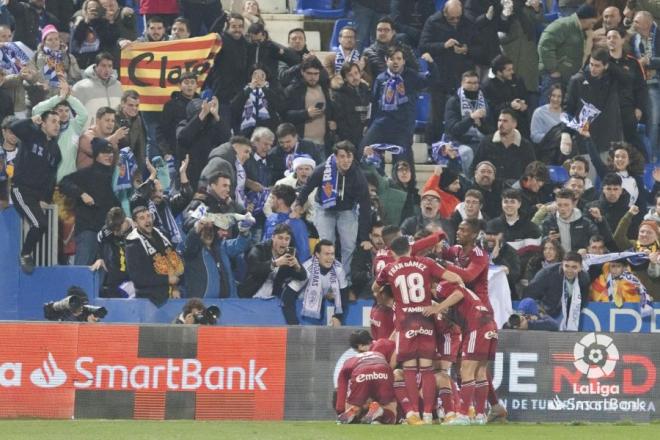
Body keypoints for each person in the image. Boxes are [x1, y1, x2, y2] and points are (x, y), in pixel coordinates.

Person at [374, 235, 464, 425]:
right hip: (425, 319)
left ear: (392, 252)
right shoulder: (426, 263)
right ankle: (429, 414)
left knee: (408, 369)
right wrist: (460, 286)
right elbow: (454, 277)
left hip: (405, 321)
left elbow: (376, 287)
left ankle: (413, 413)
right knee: (426, 369)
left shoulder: (390, 268)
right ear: (410, 248)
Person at [293, 141, 371, 282]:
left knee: (349, 245)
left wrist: (365, 237)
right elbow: (307, 188)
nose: (346, 160)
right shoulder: (323, 170)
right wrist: (299, 203)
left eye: (349, 156)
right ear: (335, 157)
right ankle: (324, 278)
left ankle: (344, 280)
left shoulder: (358, 176)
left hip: (346, 210)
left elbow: (365, 206)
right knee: (327, 244)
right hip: (324, 208)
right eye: (342, 156)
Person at [360, 49, 437, 172]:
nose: (395, 62)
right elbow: (374, 103)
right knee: (364, 150)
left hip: (403, 126)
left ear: (403, 61)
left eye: (398, 59)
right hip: (381, 123)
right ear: (386, 60)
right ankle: (377, 181)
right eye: (392, 59)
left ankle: (409, 189)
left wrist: (431, 64)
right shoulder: (380, 78)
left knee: (403, 161)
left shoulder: (411, 76)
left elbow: (431, 80)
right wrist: (369, 125)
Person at [9, 111, 61, 273]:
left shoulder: (55, 150)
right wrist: (31, 119)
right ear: (43, 124)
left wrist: (45, 198)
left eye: (59, 122)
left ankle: (26, 253)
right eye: (53, 121)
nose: (57, 125)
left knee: (42, 224)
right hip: (21, 189)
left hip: (36, 194)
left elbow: (51, 177)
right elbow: (14, 127)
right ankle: (25, 254)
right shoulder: (32, 134)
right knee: (39, 223)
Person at [59, 138, 119, 265]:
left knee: (106, 274)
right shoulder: (86, 174)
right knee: (82, 271)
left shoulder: (113, 176)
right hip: (88, 232)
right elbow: (64, 183)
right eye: (104, 152)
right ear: (96, 155)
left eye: (110, 152)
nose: (109, 155)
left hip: (107, 233)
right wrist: (82, 193)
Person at [562, 49, 625, 157]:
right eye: (591, 64)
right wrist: (566, 132)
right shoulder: (577, 81)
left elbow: (628, 79)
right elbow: (569, 108)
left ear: (606, 66)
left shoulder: (613, 80)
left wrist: (612, 66)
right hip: (585, 141)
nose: (593, 68)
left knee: (609, 174)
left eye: (597, 66)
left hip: (609, 140)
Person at [181, 207, 252, 298]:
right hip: (203, 303)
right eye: (220, 230)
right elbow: (189, 245)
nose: (225, 233)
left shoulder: (221, 246)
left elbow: (239, 245)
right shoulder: (193, 250)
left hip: (229, 302)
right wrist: (197, 227)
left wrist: (244, 232)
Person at [239, 223, 308, 316]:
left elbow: (303, 276)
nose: (284, 242)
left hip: (273, 301)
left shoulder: (289, 254)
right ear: (273, 237)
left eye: (287, 239)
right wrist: (275, 263)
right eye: (280, 238)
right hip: (250, 298)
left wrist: (297, 266)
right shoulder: (259, 249)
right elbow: (254, 269)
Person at [537, 4, 598, 104]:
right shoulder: (563, 25)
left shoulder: (579, 30)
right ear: (585, 19)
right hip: (553, 78)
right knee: (547, 110)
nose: (592, 26)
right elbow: (545, 45)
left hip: (564, 78)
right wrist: (553, 70)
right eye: (592, 23)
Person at [125, 205, 183, 306]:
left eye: (148, 216)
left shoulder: (162, 234)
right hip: (150, 301)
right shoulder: (132, 245)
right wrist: (166, 280)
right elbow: (138, 278)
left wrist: (175, 287)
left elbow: (174, 261)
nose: (147, 220)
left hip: (173, 294)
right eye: (142, 218)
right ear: (135, 223)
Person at [31, 81, 88, 182]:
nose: (64, 114)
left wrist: (68, 96)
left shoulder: (74, 125)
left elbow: (84, 114)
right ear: (53, 111)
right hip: (47, 181)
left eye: (66, 110)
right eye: (60, 111)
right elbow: (36, 111)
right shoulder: (46, 126)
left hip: (69, 181)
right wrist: (59, 97)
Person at [335, 334, 398, 425]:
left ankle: (354, 410)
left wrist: (340, 410)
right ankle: (380, 412)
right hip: (383, 369)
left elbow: (342, 387)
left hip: (361, 372)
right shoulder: (379, 351)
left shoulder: (349, 361)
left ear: (359, 348)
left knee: (356, 404)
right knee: (390, 407)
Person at [284, 240, 349, 326]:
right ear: (317, 254)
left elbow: (344, 295)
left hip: (324, 302)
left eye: (332, 254)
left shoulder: (339, 268)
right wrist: (293, 324)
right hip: (303, 306)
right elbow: (288, 295)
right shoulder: (307, 269)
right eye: (326, 254)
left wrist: (338, 316)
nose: (330, 258)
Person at [131, 156, 192, 247]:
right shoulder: (141, 205)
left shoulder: (167, 204)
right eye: (154, 191)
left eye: (160, 191)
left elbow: (186, 196)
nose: (159, 194)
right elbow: (139, 195)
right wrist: (153, 174)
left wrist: (182, 173)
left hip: (171, 249)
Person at [524, 251, 590, 330]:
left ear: (580, 267)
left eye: (574, 267)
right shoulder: (547, 273)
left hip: (567, 315)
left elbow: (582, 300)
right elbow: (529, 294)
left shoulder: (584, 278)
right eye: (567, 266)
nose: (569, 270)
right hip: (544, 313)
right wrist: (539, 313)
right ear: (562, 265)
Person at [176, 97, 231, 190]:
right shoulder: (183, 125)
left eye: (205, 113)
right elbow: (183, 137)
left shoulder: (211, 126)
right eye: (200, 113)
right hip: (190, 175)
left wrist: (216, 116)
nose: (204, 117)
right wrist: (201, 115)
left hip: (209, 174)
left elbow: (226, 138)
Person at [606, 27, 647, 148]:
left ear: (622, 40)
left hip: (627, 109)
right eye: (608, 38)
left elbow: (641, 87)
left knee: (629, 144)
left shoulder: (633, 62)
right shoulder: (600, 61)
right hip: (606, 109)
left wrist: (639, 107)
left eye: (614, 37)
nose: (611, 40)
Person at [283, 56, 336, 149]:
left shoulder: (324, 88)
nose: (313, 77)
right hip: (302, 143)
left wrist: (332, 122)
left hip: (323, 143)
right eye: (309, 73)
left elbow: (331, 111)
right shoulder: (293, 90)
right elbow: (284, 115)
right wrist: (305, 114)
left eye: (316, 74)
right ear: (302, 72)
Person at [204, 13, 249, 123]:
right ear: (227, 27)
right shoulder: (221, 40)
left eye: (240, 26)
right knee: (223, 129)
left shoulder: (246, 43)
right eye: (233, 26)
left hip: (240, 94)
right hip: (222, 94)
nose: (237, 29)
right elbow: (211, 35)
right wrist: (223, 16)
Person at [472, 109, 536, 182]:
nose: (501, 124)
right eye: (499, 120)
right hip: (490, 186)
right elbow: (474, 166)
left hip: (516, 188)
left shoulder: (525, 145)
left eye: (505, 121)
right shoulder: (487, 142)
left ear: (514, 124)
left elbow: (532, 171)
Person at [613, 205, 660, 297]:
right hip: (631, 295)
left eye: (649, 232)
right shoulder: (632, 245)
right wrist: (629, 215)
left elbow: (655, 275)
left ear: (656, 236)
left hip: (655, 297)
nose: (644, 234)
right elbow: (618, 237)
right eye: (642, 231)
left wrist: (653, 262)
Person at [631, 11, 660, 159]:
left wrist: (649, 62)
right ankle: (654, 158)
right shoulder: (634, 39)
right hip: (648, 85)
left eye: (636, 22)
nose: (633, 24)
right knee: (654, 120)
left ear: (647, 23)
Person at [444, 70, 493, 153]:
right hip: (459, 141)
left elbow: (491, 129)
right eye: (469, 83)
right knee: (466, 152)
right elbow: (452, 130)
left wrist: (481, 125)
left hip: (481, 141)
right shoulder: (454, 101)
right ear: (462, 83)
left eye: (475, 83)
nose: (473, 86)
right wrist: (470, 118)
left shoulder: (485, 102)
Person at [29, 24, 81, 101]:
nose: (54, 42)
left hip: (63, 100)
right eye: (50, 40)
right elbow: (28, 79)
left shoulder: (68, 57)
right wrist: (37, 85)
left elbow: (76, 78)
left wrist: (68, 86)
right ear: (44, 42)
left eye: (56, 39)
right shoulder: (34, 57)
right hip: (41, 100)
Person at [230, 64, 285, 138]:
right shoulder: (243, 88)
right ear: (251, 77)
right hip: (246, 130)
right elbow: (234, 106)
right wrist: (249, 89)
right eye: (255, 75)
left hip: (268, 128)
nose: (258, 78)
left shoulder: (273, 89)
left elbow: (280, 106)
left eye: (262, 75)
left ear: (266, 77)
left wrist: (264, 89)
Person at [72, 52, 123, 130]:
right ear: (96, 66)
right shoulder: (81, 87)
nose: (107, 69)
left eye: (110, 66)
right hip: (90, 136)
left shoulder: (119, 86)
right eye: (103, 66)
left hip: (115, 134)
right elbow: (72, 114)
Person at [482, 55, 530, 136]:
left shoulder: (517, 79)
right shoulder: (487, 86)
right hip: (499, 122)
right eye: (509, 70)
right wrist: (510, 105)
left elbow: (525, 96)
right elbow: (492, 109)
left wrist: (524, 104)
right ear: (499, 72)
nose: (512, 72)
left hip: (519, 120)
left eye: (512, 69)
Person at [157, 72, 199, 162]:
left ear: (197, 86)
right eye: (186, 83)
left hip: (198, 154)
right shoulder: (171, 105)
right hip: (177, 154)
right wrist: (166, 152)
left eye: (192, 82)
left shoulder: (203, 104)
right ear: (179, 86)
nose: (190, 86)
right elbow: (161, 131)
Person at [262, 184, 310, 263]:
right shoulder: (270, 219)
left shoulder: (297, 223)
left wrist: (297, 270)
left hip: (287, 270)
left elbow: (304, 252)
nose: (271, 201)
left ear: (280, 201)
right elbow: (263, 246)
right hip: (268, 269)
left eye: (273, 198)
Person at [90, 206, 132, 298]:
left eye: (117, 229)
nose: (115, 233)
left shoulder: (136, 229)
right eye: (113, 230)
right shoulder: (107, 231)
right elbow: (99, 239)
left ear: (125, 221)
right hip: (116, 270)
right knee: (108, 292)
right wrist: (100, 258)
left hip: (134, 271)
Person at [263, 153, 317, 223]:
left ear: (312, 171)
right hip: (280, 220)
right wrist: (273, 221)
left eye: (307, 169)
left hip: (306, 222)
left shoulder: (317, 187)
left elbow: (314, 212)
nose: (304, 172)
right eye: (300, 169)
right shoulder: (282, 183)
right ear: (295, 171)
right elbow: (268, 206)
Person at [200, 135, 252, 207]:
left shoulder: (234, 166)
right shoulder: (220, 162)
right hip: (214, 211)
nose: (248, 156)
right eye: (246, 152)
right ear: (235, 148)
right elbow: (205, 187)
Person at [362, 16, 419, 81]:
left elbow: (416, 70)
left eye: (386, 30)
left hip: (405, 85)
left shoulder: (404, 48)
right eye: (379, 30)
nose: (382, 33)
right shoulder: (368, 52)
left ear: (393, 32)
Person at [332, 62, 370, 148]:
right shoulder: (339, 95)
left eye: (356, 73)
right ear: (345, 79)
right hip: (348, 141)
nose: (354, 77)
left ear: (360, 74)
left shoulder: (367, 91)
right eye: (350, 75)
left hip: (366, 137)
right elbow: (340, 121)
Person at [351, 221, 385, 299]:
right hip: (367, 292)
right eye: (376, 236)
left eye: (382, 236)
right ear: (370, 236)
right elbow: (354, 275)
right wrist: (370, 274)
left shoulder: (392, 251)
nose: (379, 240)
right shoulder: (362, 252)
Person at [530, 84, 563, 153]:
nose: (556, 99)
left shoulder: (567, 113)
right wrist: (554, 138)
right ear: (549, 96)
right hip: (546, 152)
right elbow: (534, 136)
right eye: (553, 96)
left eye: (559, 96)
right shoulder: (539, 112)